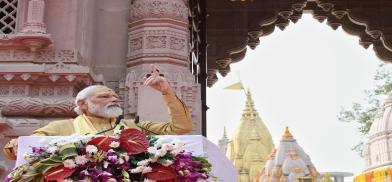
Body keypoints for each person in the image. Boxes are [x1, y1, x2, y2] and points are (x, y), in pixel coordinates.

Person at [2, 64, 192, 160]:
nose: (114, 99)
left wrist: (167, 92)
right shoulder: (62, 127)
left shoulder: (134, 127)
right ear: (82, 104)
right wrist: (16, 144)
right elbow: (15, 151)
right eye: (104, 96)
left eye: (115, 97)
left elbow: (181, 127)